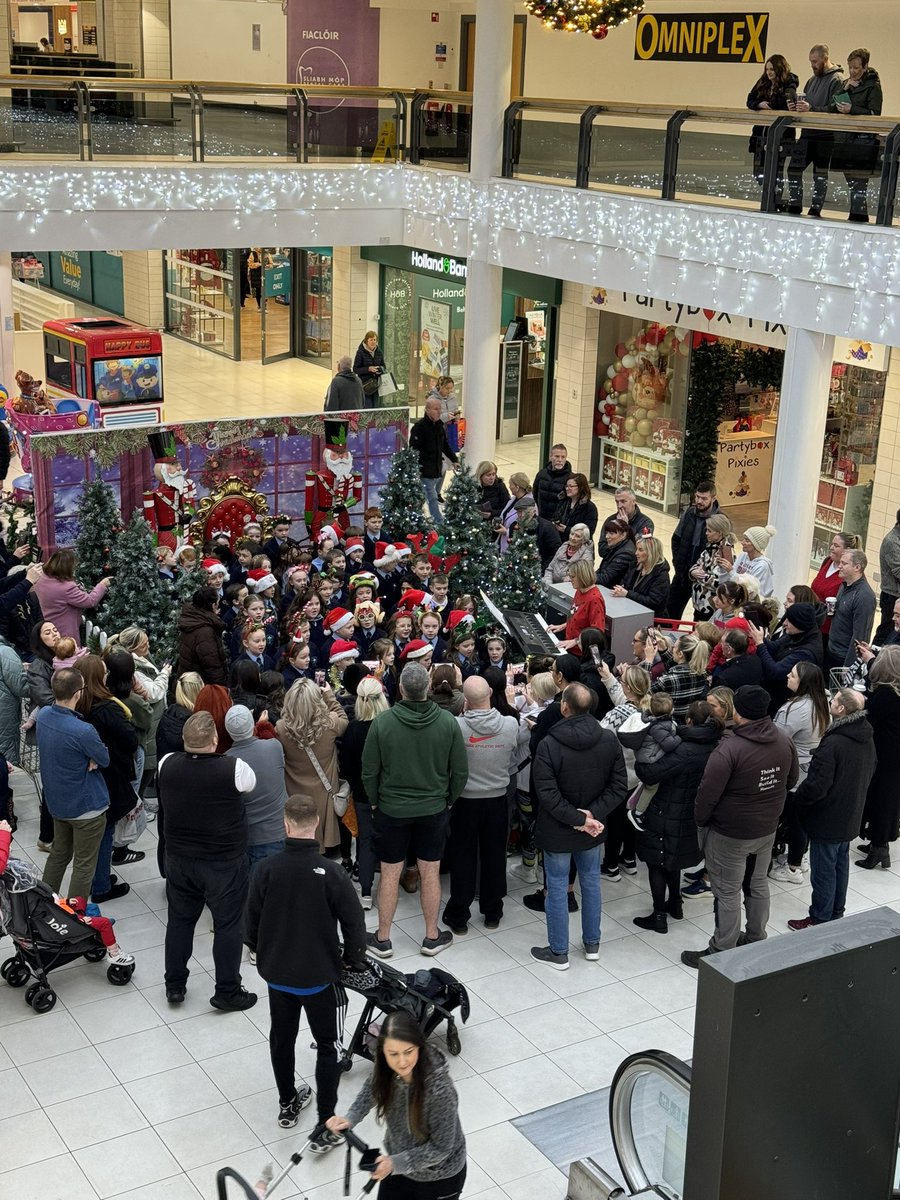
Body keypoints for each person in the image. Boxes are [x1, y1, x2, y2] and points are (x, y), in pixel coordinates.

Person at [246, 792, 367, 1150]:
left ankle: (287, 1103)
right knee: (327, 1045)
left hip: (278, 976)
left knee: (281, 1038)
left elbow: (249, 920)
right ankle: (326, 1125)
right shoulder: (331, 872)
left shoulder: (265, 868)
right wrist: (354, 958)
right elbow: (355, 921)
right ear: (316, 824)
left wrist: (259, 949)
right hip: (318, 978)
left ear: (285, 824)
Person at [681, 685, 798, 968]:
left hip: (729, 833)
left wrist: (701, 821)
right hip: (767, 828)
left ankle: (721, 948)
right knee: (757, 884)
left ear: (737, 711)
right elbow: (791, 781)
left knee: (727, 891)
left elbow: (706, 795)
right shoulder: (783, 739)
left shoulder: (730, 749)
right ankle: (756, 936)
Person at [362, 662, 468, 959]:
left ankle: (383, 938)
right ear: (428, 688)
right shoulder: (447, 722)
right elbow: (460, 771)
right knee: (430, 872)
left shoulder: (382, 723)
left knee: (391, 873)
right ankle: (432, 936)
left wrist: (373, 801)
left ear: (400, 689)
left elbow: (369, 771)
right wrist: (448, 799)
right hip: (434, 808)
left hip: (391, 809)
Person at [158, 710, 257, 1010]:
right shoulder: (236, 769)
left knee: (179, 922)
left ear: (184, 740)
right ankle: (227, 990)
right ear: (215, 739)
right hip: (223, 862)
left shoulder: (166, 765)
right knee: (228, 925)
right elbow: (250, 788)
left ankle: (175, 985)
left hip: (179, 859)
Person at [530, 682, 627, 970]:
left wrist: (579, 818)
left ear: (564, 707)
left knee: (558, 886)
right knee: (591, 883)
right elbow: (618, 787)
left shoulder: (549, 744)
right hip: (593, 829)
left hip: (559, 829)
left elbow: (546, 794)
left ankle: (558, 951)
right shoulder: (609, 739)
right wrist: (590, 817)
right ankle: (592, 944)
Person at [327, 1010, 467, 1200]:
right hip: (400, 1164)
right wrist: (350, 1118)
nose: (401, 1062)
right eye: (393, 1054)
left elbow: (441, 1148)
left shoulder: (440, 1091)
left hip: (439, 1177)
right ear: (383, 1051)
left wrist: (394, 1163)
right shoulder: (385, 1067)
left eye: (408, 1052)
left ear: (419, 1045)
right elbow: (371, 1090)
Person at [631, 700, 724, 933]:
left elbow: (651, 774)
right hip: (692, 814)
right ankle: (676, 904)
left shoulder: (683, 749)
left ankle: (659, 916)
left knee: (657, 862)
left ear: (689, 720)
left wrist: (639, 766)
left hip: (665, 811)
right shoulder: (717, 744)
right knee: (674, 860)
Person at [788, 689, 875, 929]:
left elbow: (817, 785)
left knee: (823, 870)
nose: (830, 701)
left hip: (827, 817)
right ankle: (836, 911)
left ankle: (820, 917)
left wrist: (799, 800)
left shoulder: (834, 742)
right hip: (851, 811)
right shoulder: (866, 736)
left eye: (834, 700)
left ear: (841, 709)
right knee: (840, 864)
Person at [442, 675, 520, 936]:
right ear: (490, 692)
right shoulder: (510, 725)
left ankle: (459, 914)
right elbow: (518, 755)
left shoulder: (455, 726)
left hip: (465, 801)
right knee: (495, 855)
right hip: (497, 799)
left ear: (465, 700)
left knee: (462, 857)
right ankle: (493, 912)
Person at [38, 668, 111, 902]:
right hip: (87, 808)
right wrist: (91, 758)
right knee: (83, 865)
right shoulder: (83, 731)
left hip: (58, 803)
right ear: (78, 694)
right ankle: (75, 917)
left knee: (59, 854)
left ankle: (41, 905)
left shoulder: (43, 715)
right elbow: (105, 758)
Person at [75, 654, 141, 903]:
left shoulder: (78, 704)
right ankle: (101, 885)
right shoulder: (107, 708)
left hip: (90, 777)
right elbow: (130, 740)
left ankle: (98, 877)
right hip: (112, 774)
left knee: (98, 831)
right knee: (106, 830)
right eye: (103, 671)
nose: (107, 675)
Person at [769, 662, 830, 885]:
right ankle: (800, 858)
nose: (788, 675)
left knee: (795, 821)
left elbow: (777, 738)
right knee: (801, 819)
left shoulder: (796, 710)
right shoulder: (822, 702)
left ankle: (793, 867)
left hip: (795, 772)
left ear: (803, 682)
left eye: (792, 674)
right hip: (811, 769)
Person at [276, 677, 348, 858]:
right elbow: (344, 718)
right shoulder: (330, 723)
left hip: (295, 792)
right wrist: (330, 696)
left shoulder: (281, 727)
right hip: (324, 794)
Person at [338, 676, 389, 910]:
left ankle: (366, 892)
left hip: (361, 796)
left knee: (365, 841)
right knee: (392, 842)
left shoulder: (353, 730)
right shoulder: (390, 727)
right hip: (389, 796)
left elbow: (346, 768)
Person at [224, 705, 289, 872]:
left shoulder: (226, 762)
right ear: (253, 726)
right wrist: (262, 726)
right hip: (275, 833)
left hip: (244, 838)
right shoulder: (274, 747)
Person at [786, 43, 844, 217]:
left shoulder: (838, 80)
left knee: (819, 174)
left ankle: (815, 208)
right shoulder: (811, 80)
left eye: (815, 61)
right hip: (807, 133)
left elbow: (835, 108)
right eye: (811, 62)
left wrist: (812, 108)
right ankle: (795, 204)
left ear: (825, 59)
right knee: (793, 169)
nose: (812, 65)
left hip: (825, 135)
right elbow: (807, 105)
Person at [857, 646, 900, 870]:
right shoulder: (893, 691)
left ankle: (879, 846)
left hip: (886, 755)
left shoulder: (887, 694)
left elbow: (870, 715)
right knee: (887, 798)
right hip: (893, 753)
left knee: (882, 799)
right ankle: (878, 843)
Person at [831, 47, 882, 223]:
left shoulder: (873, 86)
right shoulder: (846, 83)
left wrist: (852, 109)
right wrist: (845, 88)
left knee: (859, 184)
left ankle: (858, 217)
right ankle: (857, 215)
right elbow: (832, 104)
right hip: (845, 139)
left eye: (856, 68)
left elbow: (875, 113)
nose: (852, 71)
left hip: (862, 141)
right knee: (852, 182)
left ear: (865, 66)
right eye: (850, 67)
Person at [750, 602, 824, 711]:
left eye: (789, 621)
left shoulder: (807, 652)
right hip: (774, 691)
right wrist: (760, 637)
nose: (784, 623)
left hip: (785, 700)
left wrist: (760, 644)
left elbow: (775, 672)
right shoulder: (797, 633)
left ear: (799, 624)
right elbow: (774, 648)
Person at [746, 54, 800, 200]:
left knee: (776, 171)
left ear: (779, 69)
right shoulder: (762, 82)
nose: (769, 72)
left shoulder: (789, 83)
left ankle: (774, 200)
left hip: (780, 136)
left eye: (772, 69)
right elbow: (750, 99)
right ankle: (769, 197)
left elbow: (783, 102)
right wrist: (759, 104)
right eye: (767, 69)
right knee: (759, 172)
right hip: (761, 134)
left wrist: (771, 103)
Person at [32, 548, 110, 645]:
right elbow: (90, 601)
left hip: (51, 625)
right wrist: (102, 584)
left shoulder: (42, 579)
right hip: (66, 631)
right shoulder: (66, 588)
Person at [667, 481, 720, 619]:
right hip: (682, 575)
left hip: (703, 582)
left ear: (713, 499)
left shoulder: (719, 520)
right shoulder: (689, 513)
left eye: (704, 498)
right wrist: (678, 563)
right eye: (697, 497)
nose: (699, 501)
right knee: (669, 613)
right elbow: (676, 539)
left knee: (700, 621)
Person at [409, 399, 458, 526]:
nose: (439, 411)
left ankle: (419, 520)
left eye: (440, 408)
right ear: (427, 410)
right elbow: (413, 451)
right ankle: (439, 523)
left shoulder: (440, 426)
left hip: (437, 469)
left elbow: (445, 445)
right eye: (436, 409)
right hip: (425, 471)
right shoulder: (419, 428)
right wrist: (415, 470)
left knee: (427, 497)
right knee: (432, 498)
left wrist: (454, 459)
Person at [826, 548, 877, 671]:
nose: (839, 566)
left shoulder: (864, 596)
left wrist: (848, 666)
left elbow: (860, 634)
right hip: (831, 649)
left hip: (843, 658)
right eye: (840, 562)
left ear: (857, 567)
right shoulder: (844, 585)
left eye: (844, 563)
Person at [647, 631, 710, 721]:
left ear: (680, 654)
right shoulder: (702, 673)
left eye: (674, 647)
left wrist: (648, 660)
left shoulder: (667, 680)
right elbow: (680, 666)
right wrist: (665, 651)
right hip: (687, 720)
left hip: (668, 722)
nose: (672, 648)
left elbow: (643, 691)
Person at [811, 530, 856, 647]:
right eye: (832, 544)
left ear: (847, 551)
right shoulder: (827, 561)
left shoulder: (847, 575)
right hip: (812, 622)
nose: (831, 548)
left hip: (827, 631)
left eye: (836, 546)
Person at [548, 559, 606, 648]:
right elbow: (576, 617)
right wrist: (562, 626)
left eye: (572, 577)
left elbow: (596, 634)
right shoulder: (579, 591)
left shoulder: (595, 599)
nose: (570, 580)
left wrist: (575, 641)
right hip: (569, 644)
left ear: (582, 576)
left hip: (581, 651)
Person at [177, 585, 229, 685]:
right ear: (213, 605)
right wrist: (222, 688)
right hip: (199, 685)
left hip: (189, 682)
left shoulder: (192, 619)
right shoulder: (205, 631)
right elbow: (212, 665)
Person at [688, 514, 735, 620]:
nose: (706, 533)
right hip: (699, 604)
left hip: (711, 607)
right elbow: (698, 564)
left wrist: (700, 577)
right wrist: (693, 572)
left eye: (709, 531)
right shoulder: (709, 547)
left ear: (719, 533)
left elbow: (720, 582)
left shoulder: (725, 552)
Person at [612, 535, 671, 618]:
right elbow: (624, 583)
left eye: (640, 550)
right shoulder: (634, 567)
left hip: (652, 619)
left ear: (650, 553)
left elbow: (653, 601)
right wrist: (620, 589)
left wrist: (627, 594)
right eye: (637, 549)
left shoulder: (661, 576)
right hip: (630, 612)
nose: (636, 553)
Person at [720, 526, 777, 597]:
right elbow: (730, 578)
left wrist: (731, 571)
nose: (742, 542)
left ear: (756, 545)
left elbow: (750, 588)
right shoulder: (743, 556)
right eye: (743, 539)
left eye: (747, 540)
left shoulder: (762, 566)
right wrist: (722, 567)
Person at [598, 487, 654, 551]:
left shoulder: (646, 523)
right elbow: (602, 549)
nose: (619, 506)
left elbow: (641, 549)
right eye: (617, 502)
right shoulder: (610, 520)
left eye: (623, 501)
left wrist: (625, 527)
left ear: (634, 502)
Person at [875, 509, 900, 643]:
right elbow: (898, 571)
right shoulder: (892, 541)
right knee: (886, 633)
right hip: (892, 596)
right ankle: (873, 660)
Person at [533, 443, 573, 520]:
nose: (560, 460)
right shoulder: (541, 474)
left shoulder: (570, 478)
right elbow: (535, 494)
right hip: (541, 518)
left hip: (558, 522)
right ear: (551, 457)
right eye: (557, 456)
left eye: (563, 457)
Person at [553, 473, 598, 539]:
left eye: (571, 486)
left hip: (579, 545)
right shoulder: (563, 502)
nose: (567, 488)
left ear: (580, 487)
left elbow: (589, 531)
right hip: (561, 542)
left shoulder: (590, 508)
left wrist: (567, 530)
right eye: (566, 486)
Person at [595, 517, 636, 588]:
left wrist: (584, 577)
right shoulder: (616, 545)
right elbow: (602, 571)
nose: (607, 536)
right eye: (607, 533)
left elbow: (606, 579)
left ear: (623, 535)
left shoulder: (626, 554)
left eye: (611, 533)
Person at [353, 330, 385, 401]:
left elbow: (384, 366)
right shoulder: (360, 352)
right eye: (371, 340)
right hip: (365, 385)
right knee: (367, 405)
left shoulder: (379, 352)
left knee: (375, 406)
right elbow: (355, 369)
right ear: (366, 341)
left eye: (374, 340)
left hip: (376, 385)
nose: (373, 342)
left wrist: (379, 369)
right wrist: (368, 369)